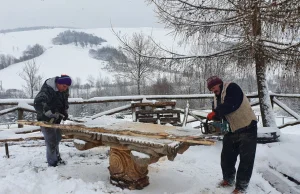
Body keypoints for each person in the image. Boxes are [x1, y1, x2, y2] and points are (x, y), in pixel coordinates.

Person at [206, 76, 257, 194]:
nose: (213, 90)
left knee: (246, 160)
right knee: (226, 157)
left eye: (214, 87)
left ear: (219, 84)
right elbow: (219, 113)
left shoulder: (232, 88)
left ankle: (241, 187)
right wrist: (214, 117)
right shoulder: (216, 98)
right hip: (231, 130)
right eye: (211, 89)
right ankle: (228, 179)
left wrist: (216, 112)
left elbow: (231, 104)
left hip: (247, 127)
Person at [34, 75, 72, 167]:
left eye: (67, 87)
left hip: (56, 119)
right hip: (46, 120)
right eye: (64, 86)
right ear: (58, 83)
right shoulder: (47, 90)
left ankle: (57, 158)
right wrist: (48, 112)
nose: (65, 89)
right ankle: (52, 163)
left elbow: (64, 101)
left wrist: (64, 111)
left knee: (57, 138)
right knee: (51, 141)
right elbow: (38, 103)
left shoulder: (63, 89)